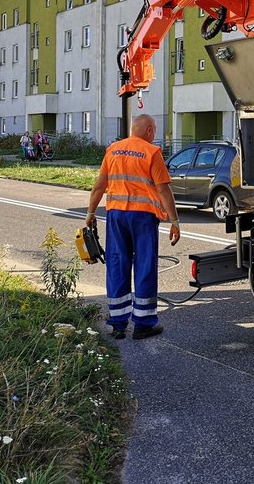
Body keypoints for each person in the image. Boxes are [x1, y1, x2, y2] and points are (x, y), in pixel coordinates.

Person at [86, 114, 180, 340]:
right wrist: (174, 221)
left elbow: (100, 186)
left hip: (116, 215)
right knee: (145, 265)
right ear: (148, 130)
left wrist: (90, 213)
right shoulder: (151, 152)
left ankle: (118, 324)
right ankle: (144, 323)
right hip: (143, 218)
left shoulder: (113, 150)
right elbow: (164, 189)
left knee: (117, 264)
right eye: (154, 129)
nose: (155, 133)